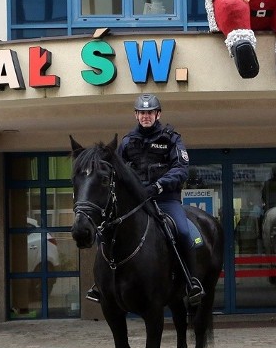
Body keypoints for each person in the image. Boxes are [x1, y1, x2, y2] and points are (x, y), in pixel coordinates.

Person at [85, 93, 204, 306]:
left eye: (149, 112)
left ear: (157, 114)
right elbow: (117, 172)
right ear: (136, 115)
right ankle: (100, 284)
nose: (146, 116)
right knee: (105, 232)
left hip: (166, 199)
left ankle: (190, 281)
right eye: (142, 112)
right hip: (136, 202)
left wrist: (158, 186)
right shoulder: (128, 142)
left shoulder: (171, 138)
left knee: (184, 232)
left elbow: (180, 169)